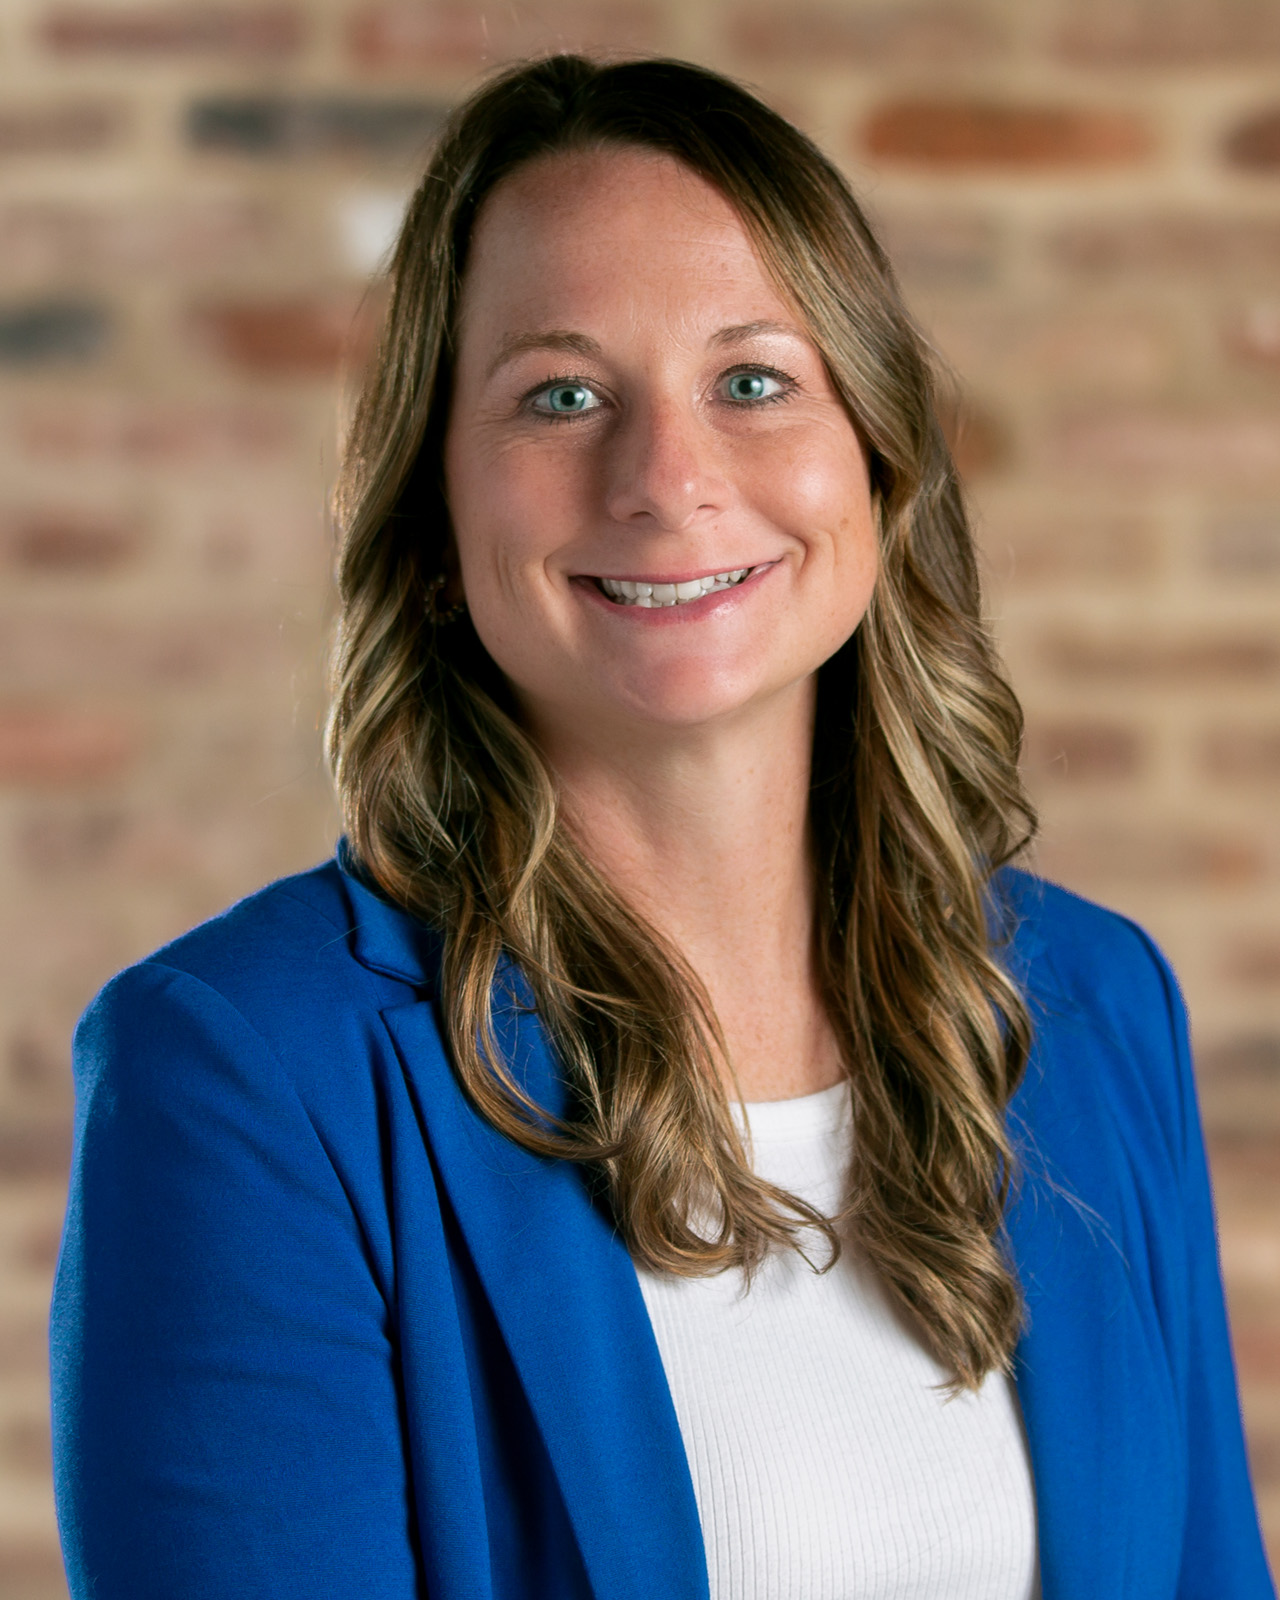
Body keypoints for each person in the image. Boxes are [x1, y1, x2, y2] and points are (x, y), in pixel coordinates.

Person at [50, 53, 1273, 1600]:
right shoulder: (242, 1074)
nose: (668, 480)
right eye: (560, 396)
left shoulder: (1093, 1007)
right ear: (434, 517)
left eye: (752, 381)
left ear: (879, 466)